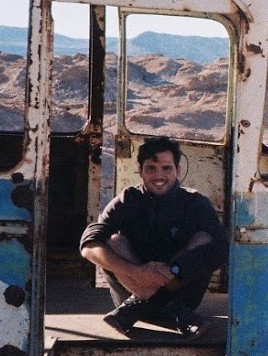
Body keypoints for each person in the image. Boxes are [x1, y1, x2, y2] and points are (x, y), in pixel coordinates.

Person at [80, 136, 227, 339]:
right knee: (114, 241)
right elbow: (88, 245)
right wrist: (138, 272)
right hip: (133, 290)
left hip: (177, 292)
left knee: (203, 239)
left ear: (178, 170)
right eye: (151, 168)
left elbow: (222, 249)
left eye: (167, 168)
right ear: (140, 171)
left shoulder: (195, 203)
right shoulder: (126, 200)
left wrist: (175, 270)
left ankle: (148, 306)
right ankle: (175, 312)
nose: (159, 176)